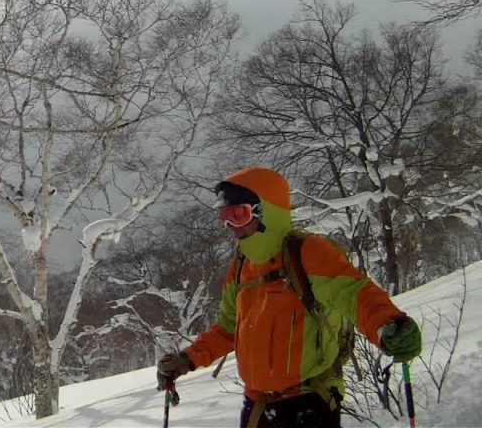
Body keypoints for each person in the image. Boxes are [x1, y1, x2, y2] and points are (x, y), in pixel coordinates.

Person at [155, 167, 422, 428]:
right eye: (224, 216)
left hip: (308, 400)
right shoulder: (240, 266)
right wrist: (187, 359)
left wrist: (387, 324)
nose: (230, 226)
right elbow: (227, 328)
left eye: (239, 214)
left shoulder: (307, 252)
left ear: (267, 212)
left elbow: (354, 293)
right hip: (257, 405)